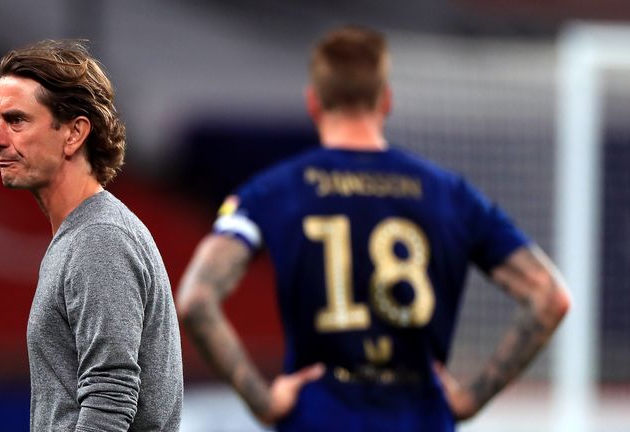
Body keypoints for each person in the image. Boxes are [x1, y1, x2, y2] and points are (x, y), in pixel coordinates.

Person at [176, 26, 570, 431]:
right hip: (419, 414)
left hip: (320, 415)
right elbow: (549, 295)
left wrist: (262, 400)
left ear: (314, 103)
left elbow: (196, 299)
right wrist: (471, 397)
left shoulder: (276, 190)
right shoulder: (449, 193)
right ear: (386, 101)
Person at [0, 40, 182, 431]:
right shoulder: (82, 234)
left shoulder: (100, 239)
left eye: (17, 120)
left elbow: (110, 397)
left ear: (74, 133)